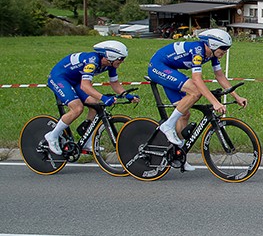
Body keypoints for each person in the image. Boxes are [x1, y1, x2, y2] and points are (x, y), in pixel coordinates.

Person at [148, 28, 247, 170]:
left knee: (184, 114)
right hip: (158, 67)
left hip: (170, 69)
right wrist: (214, 102)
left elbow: (220, 76)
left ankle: (178, 155)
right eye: (223, 48)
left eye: (227, 48)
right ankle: (168, 125)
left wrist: (236, 96)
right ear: (212, 45)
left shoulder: (213, 55)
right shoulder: (198, 51)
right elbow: (197, 79)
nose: (225, 51)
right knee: (195, 92)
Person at [43, 41, 138, 155]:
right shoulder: (92, 62)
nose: (122, 61)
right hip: (60, 78)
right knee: (77, 108)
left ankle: (87, 140)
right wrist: (104, 97)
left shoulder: (110, 64)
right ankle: (52, 136)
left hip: (75, 80)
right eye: (121, 58)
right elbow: (85, 86)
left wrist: (127, 95)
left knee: (95, 105)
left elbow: (115, 83)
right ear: (111, 56)